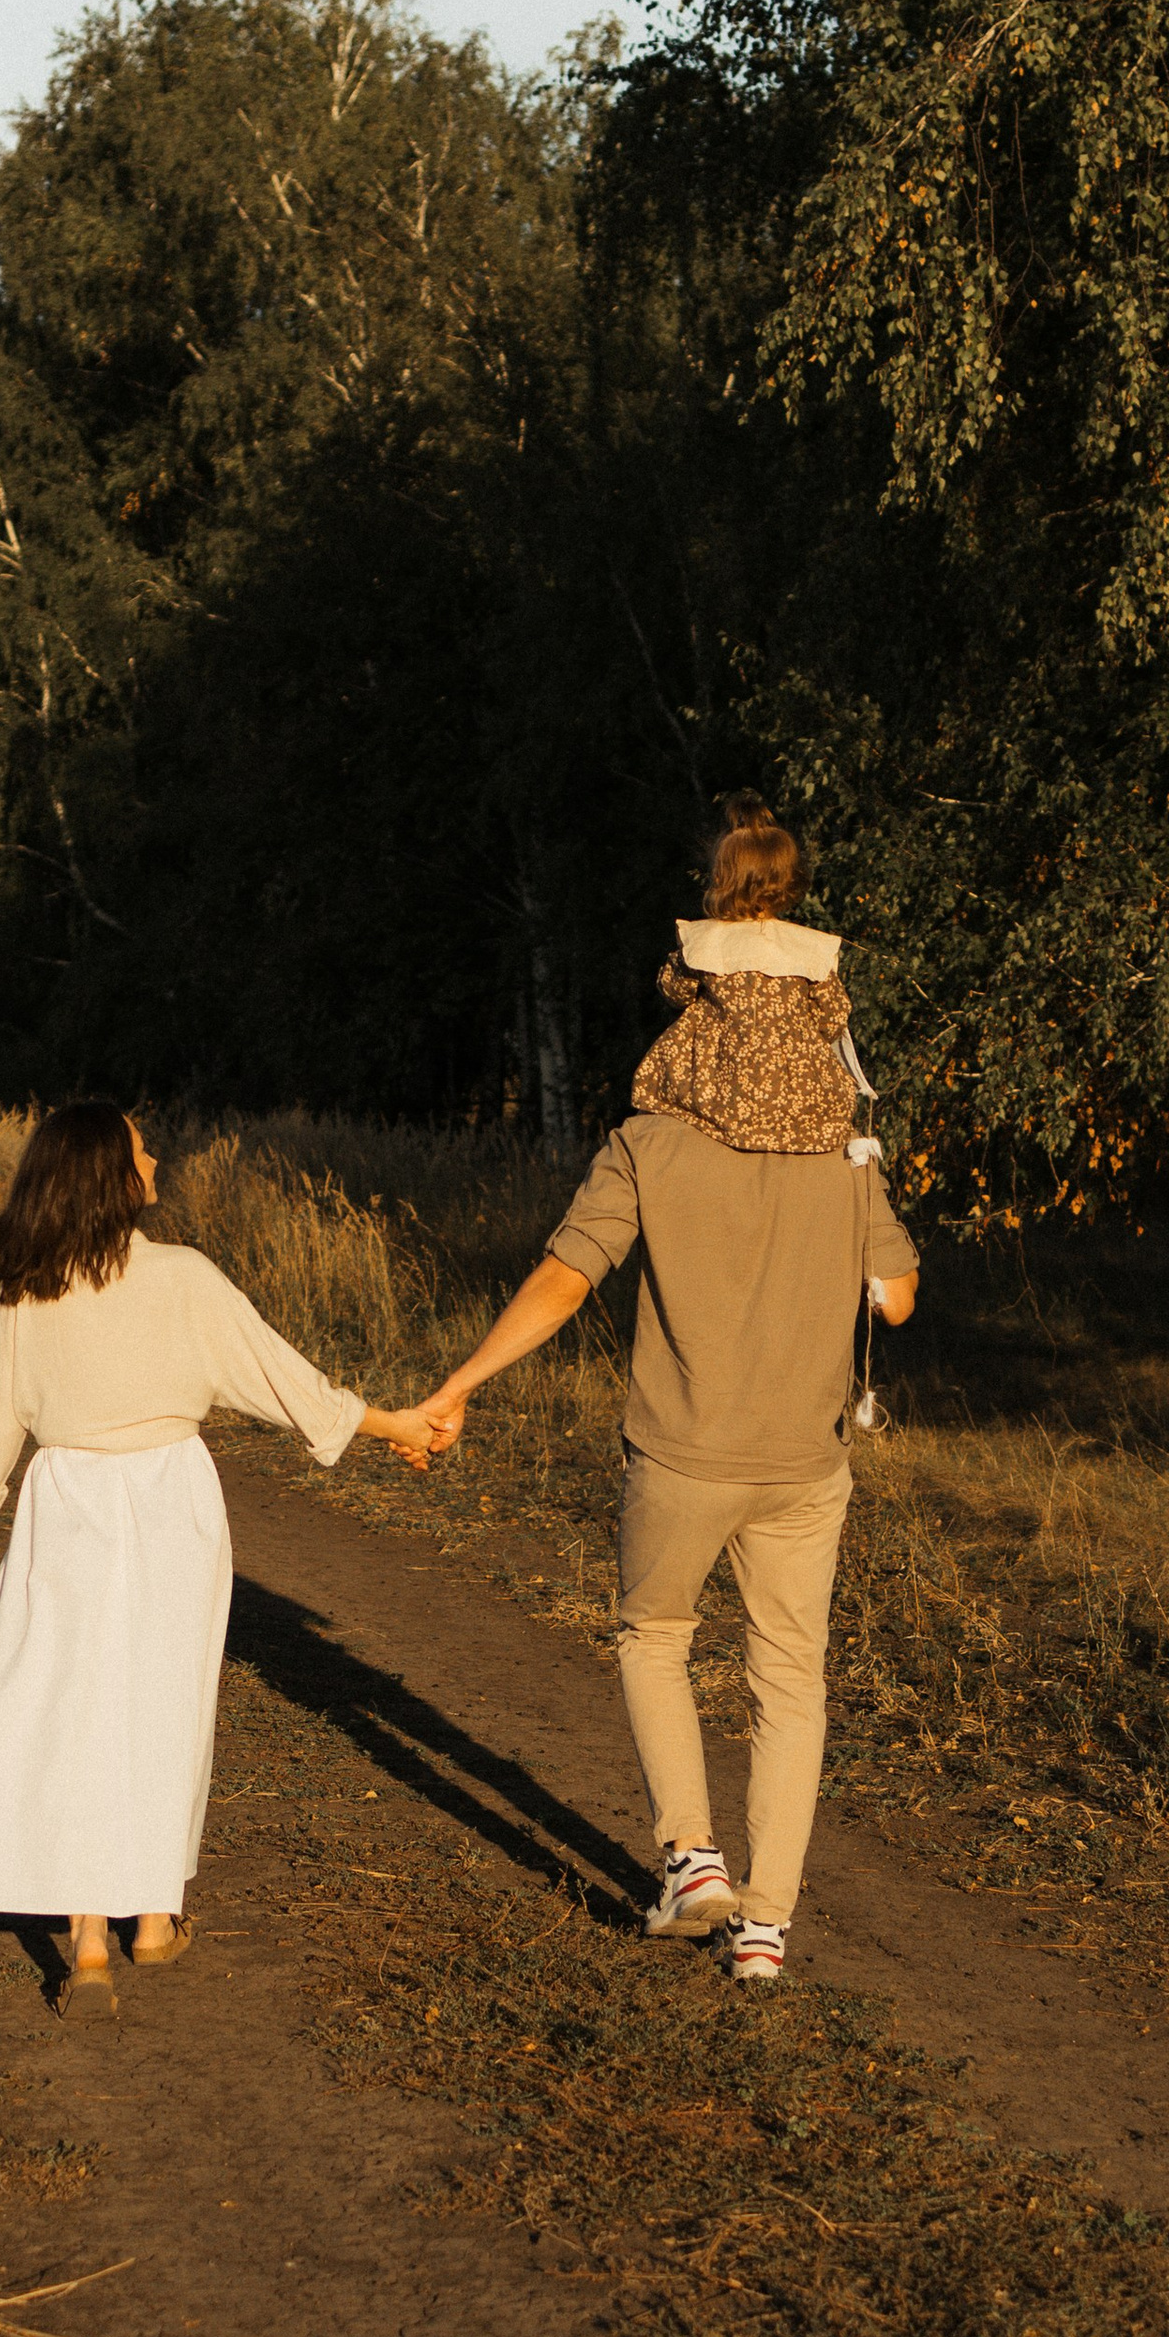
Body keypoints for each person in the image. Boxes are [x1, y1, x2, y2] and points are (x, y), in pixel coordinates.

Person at [422, 796, 918, 1984]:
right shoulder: (844, 1156)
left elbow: (562, 1276)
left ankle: (691, 1857)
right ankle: (765, 1928)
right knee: (788, 1684)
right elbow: (895, 1300)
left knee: (653, 1638)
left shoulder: (648, 1142)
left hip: (681, 1457)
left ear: (692, 1007)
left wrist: (461, 1383)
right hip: (803, 1463)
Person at [0, 1102, 444, 2006]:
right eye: (145, 1149)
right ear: (113, 1173)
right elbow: (279, 1375)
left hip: (67, 1500)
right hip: (171, 1502)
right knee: (160, 1702)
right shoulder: (184, 1277)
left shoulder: (30, 1285)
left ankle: (92, 1945)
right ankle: (154, 1919)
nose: (159, 1159)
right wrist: (387, 1425)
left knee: (73, 1706)